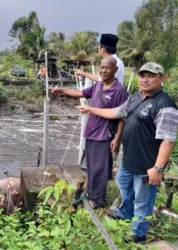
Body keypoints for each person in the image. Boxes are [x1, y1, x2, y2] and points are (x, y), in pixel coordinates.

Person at [76, 62, 178, 243]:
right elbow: (116, 112)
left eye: (150, 76)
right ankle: (125, 213)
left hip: (147, 164)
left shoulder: (165, 104)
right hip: (130, 159)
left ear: (161, 78)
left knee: (143, 200)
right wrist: (91, 109)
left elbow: (168, 140)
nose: (144, 80)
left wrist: (158, 168)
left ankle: (138, 233)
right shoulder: (136, 97)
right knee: (123, 184)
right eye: (142, 76)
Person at [51, 56, 128, 208]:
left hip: (105, 135)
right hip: (91, 132)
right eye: (102, 67)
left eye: (107, 68)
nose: (103, 70)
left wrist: (117, 139)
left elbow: (122, 117)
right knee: (91, 167)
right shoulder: (98, 85)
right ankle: (91, 194)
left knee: (101, 168)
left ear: (115, 70)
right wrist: (61, 90)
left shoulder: (120, 91)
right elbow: (79, 93)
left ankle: (98, 199)